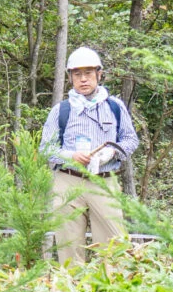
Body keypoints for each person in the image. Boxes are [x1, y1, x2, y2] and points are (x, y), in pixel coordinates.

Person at [38, 47, 139, 262]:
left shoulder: (115, 107)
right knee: (68, 246)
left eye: (88, 74)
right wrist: (70, 156)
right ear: (70, 78)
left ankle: (111, 289)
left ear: (99, 75)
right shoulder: (61, 110)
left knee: (114, 246)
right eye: (77, 74)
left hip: (104, 181)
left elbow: (131, 140)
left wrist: (112, 152)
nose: (83, 80)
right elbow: (45, 148)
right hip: (67, 181)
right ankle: (71, 291)